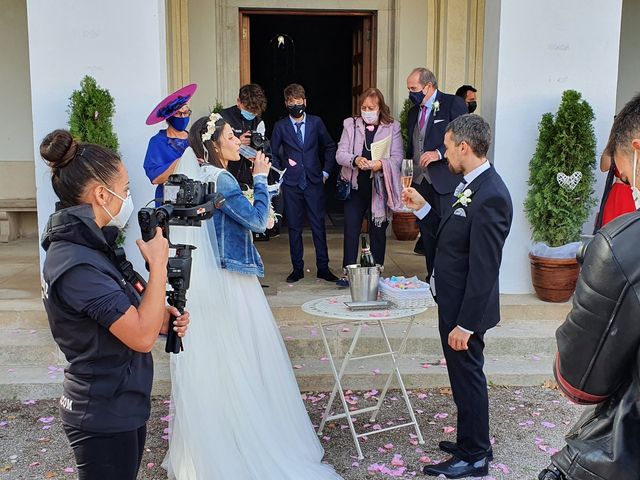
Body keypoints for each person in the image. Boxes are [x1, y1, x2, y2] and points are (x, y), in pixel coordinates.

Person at [162, 112, 343, 480]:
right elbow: (259, 221)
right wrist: (260, 179)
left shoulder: (196, 178)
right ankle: (248, 438)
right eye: (230, 135)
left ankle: (220, 438)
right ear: (214, 144)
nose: (237, 140)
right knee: (245, 353)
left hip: (208, 280)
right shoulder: (223, 179)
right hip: (232, 280)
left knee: (222, 358)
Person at [38, 129, 189, 480]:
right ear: (101, 194)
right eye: (125, 190)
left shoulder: (90, 246)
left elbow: (131, 317)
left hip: (120, 402)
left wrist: (160, 318)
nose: (127, 198)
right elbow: (140, 337)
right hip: (101, 410)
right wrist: (160, 266)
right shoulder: (76, 263)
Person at [403, 114, 513, 478]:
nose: (445, 154)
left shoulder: (492, 195)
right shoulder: (468, 184)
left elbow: (484, 268)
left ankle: (475, 455)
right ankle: (470, 439)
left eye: (448, 147)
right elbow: (449, 233)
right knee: (461, 376)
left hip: (466, 310)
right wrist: (421, 206)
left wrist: (466, 324)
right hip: (451, 301)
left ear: (464, 147)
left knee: (468, 376)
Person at [538, 93, 640, 480]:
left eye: (628, 176)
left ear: (636, 149)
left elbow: (579, 383)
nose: (630, 186)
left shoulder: (622, 248)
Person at [270, 83, 339, 283]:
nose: (295, 105)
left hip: (314, 181)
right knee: (294, 227)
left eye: (298, 102)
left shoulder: (316, 123)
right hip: (291, 184)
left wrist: (325, 171)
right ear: (286, 104)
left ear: (305, 102)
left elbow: (329, 146)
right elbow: (273, 153)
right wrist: (280, 174)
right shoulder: (280, 126)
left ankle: (323, 268)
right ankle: (297, 268)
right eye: (291, 102)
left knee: (318, 225)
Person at [335, 87, 403, 286]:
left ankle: (376, 271)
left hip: (379, 187)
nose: (367, 111)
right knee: (351, 228)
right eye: (364, 107)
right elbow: (340, 154)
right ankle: (348, 271)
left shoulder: (393, 127)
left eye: (371, 107)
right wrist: (356, 160)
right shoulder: (350, 124)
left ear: (380, 107)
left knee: (378, 230)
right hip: (355, 185)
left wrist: (380, 164)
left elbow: (398, 158)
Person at [406, 67, 467, 280]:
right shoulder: (413, 112)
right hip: (421, 180)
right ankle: (431, 275)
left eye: (413, 88)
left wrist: (439, 153)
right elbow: (412, 145)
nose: (410, 93)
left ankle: (446, 275)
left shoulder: (452, 103)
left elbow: (464, 136)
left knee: (446, 230)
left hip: (445, 179)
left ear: (429, 87)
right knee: (427, 231)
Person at [144, 83, 197, 204]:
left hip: (196, 197)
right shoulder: (157, 142)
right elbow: (155, 178)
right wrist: (180, 163)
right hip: (169, 199)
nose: (183, 117)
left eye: (187, 112)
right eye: (179, 114)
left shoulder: (195, 138)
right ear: (169, 116)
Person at [220, 83, 268, 187]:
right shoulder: (223, 117)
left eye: (254, 111)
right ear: (238, 102)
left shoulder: (259, 123)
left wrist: (255, 147)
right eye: (248, 109)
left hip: (246, 177)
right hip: (226, 173)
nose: (251, 113)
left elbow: (262, 150)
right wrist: (237, 141)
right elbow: (216, 146)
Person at [595, 124, 635, 228]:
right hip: (620, 192)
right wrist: (612, 141)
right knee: (612, 232)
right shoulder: (620, 143)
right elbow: (604, 166)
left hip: (634, 192)